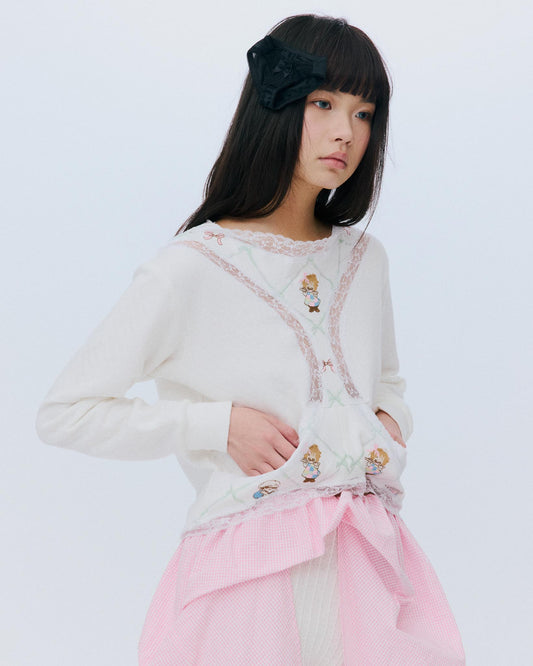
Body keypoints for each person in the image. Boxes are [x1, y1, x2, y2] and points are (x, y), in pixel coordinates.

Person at [35, 14, 466, 665]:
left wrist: (387, 423)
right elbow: (66, 413)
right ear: (276, 105)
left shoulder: (364, 258)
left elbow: (387, 381)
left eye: (364, 113)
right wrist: (217, 425)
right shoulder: (191, 268)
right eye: (323, 104)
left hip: (368, 557)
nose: (346, 132)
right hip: (249, 574)